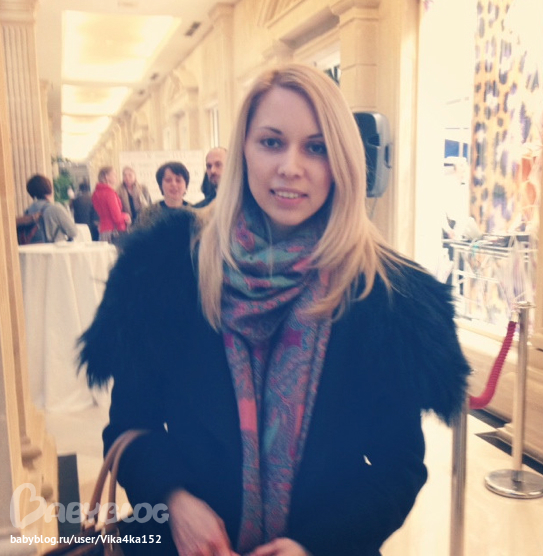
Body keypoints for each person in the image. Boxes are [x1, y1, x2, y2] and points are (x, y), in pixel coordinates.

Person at [79, 63, 470, 556]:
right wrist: (174, 501)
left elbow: (399, 467)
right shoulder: (166, 269)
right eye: (271, 142)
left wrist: (315, 545)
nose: (290, 166)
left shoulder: (386, 297)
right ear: (243, 150)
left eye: (316, 147)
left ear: (342, 160)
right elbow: (130, 425)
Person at [22, 174, 77, 242]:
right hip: (53, 247)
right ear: (48, 188)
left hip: (33, 248)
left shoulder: (28, 211)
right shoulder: (55, 208)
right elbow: (73, 232)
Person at [134, 161, 191, 228]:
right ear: (160, 185)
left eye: (178, 180)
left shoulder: (195, 214)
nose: (173, 184)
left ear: (186, 185)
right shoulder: (148, 214)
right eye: (168, 180)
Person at [92, 166, 131, 244]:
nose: (116, 177)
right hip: (114, 231)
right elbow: (117, 218)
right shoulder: (110, 193)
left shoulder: (95, 193)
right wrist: (126, 216)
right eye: (114, 174)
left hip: (103, 230)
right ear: (107, 177)